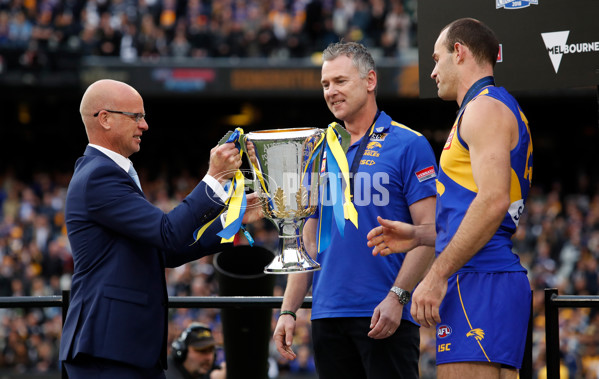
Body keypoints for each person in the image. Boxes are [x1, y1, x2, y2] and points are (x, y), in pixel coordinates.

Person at [58, 79, 262, 378]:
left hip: (124, 347)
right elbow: (168, 232)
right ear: (105, 119)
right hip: (107, 349)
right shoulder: (99, 175)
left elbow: (166, 250)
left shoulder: (109, 173)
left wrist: (234, 219)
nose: (145, 125)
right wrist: (215, 177)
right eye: (136, 116)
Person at [367, 18, 533, 378]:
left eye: (436, 58)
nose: (432, 71)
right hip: (483, 274)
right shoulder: (487, 107)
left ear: (458, 52)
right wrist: (420, 235)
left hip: (480, 275)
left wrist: (436, 275)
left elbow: (492, 202)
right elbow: (475, 210)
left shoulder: (484, 108)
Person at [273, 41, 438, 379]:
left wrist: (398, 297)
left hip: (385, 315)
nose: (331, 91)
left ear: (370, 80)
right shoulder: (317, 152)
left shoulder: (410, 144)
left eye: (340, 81)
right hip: (326, 317)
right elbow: (308, 240)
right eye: (325, 84)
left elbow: (429, 233)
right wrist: (288, 310)